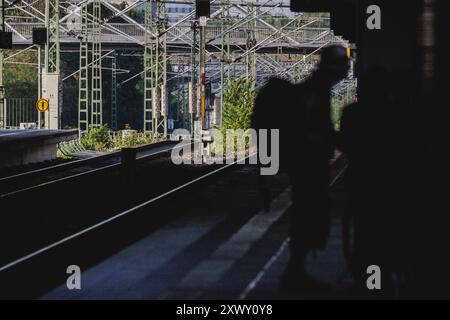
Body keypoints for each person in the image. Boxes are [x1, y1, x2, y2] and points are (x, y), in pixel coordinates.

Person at [279, 45, 350, 293]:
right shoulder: (316, 90)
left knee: (309, 213)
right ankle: (295, 273)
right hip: (308, 164)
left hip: (308, 163)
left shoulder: (317, 87)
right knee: (309, 214)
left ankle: (296, 271)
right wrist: (334, 140)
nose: (347, 71)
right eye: (344, 66)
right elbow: (311, 128)